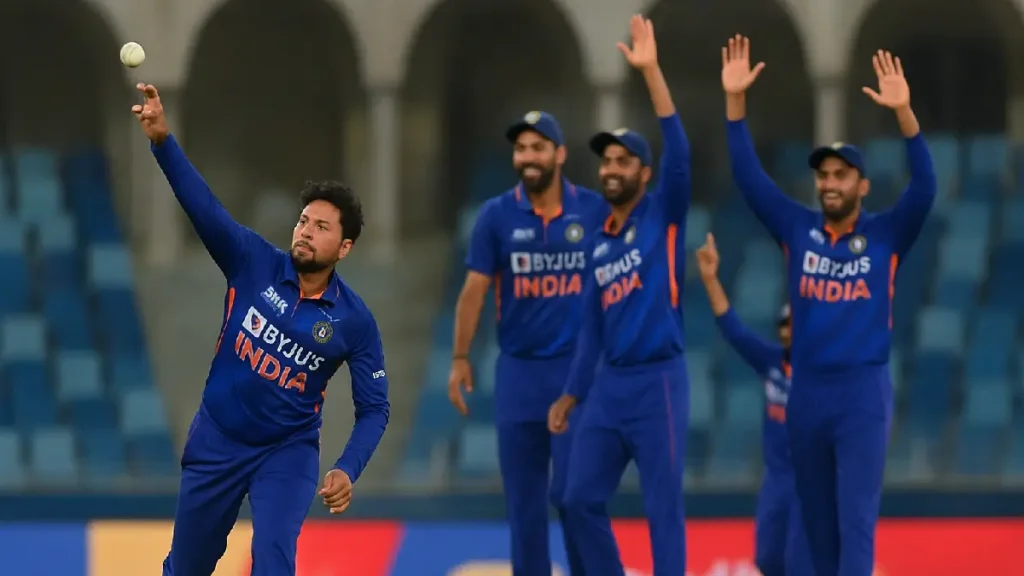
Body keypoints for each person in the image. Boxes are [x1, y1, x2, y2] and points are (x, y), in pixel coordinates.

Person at [132, 83, 390, 576]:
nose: (306, 231)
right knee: (187, 567)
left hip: (286, 452)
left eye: (321, 227)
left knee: (273, 560)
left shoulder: (354, 320)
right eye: (303, 220)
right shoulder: (252, 261)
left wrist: (346, 468)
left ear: (345, 248)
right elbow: (203, 207)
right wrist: (163, 142)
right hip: (218, 437)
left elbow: (375, 408)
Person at [721, 37, 936, 576]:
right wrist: (735, 105)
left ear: (862, 184)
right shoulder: (797, 229)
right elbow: (750, 180)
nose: (830, 183)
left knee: (854, 526)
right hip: (808, 393)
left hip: (861, 393)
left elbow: (926, 187)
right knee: (816, 531)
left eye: (841, 175)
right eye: (823, 175)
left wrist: (904, 112)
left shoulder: (887, 235)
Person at [548, 15, 691, 575]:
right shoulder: (599, 243)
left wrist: (651, 72)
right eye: (605, 161)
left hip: (658, 380)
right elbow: (592, 327)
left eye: (622, 160)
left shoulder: (663, 214)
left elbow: (679, 151)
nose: (610, 169)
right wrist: (571, 394)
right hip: (610, 386)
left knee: (662, 507)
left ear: (644, 173)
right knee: (576, 497)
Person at [450, 107, 606, 574]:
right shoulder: (496, 216)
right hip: (517, 372)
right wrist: (460, 357)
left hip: (574, 373)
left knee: (575, 497)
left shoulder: (593, 210)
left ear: (559, 154)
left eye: (538, 147)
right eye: (521, 148)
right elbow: (474, 290)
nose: (528, 156)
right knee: (524, 508)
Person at [695, 233, 812, 576]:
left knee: (801, 565)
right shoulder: (772, 362)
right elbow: (733, 329)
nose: (788, 331)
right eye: (783, 325)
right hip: (776, 480)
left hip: (811, 482)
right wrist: (710, 279)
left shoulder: (823, 372)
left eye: (794, 324)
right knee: (768, 561)